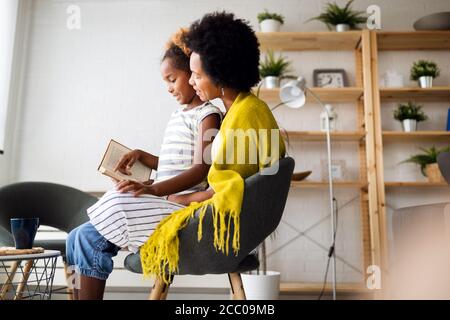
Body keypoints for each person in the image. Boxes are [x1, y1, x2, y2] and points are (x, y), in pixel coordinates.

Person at [66, 29, 222, 300]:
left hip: (177, 204)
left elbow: (200, 169)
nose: (169, 88)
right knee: (76, 237)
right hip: (164, 196)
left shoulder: (208, 115)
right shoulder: (178, 115)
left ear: (193, 74)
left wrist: (154, 190)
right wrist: (142, 158)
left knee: (115, 203)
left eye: (172, 80)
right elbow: (176, 164)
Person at [139, 12, 286, 283]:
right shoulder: (240, 110)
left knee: (122, 209)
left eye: (196, 74)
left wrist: (175, 198)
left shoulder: (244, 117)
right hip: (222, 218)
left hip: (224, 227)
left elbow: (223, 193)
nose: (192, 82)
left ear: (220, 73)